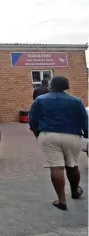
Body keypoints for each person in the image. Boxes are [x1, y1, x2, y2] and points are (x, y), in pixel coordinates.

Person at [29, 76, 88, 211]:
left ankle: (61, 200)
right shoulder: (76, 101)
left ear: (51, 86)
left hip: (49, 135)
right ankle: (74, 191)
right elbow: (84, 120)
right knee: (72, 165)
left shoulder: (40, 100)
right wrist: (86, 134)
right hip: (72, 135)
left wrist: (37, 133)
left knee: (56, 166)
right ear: (67, 86)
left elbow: (33, 120)